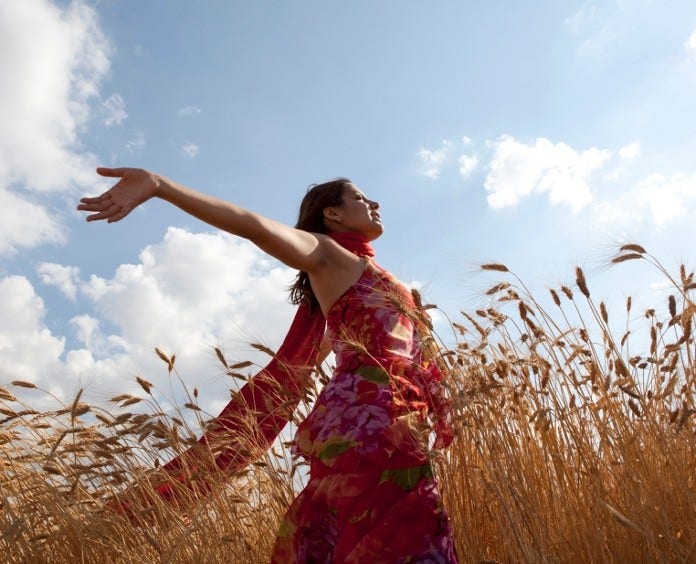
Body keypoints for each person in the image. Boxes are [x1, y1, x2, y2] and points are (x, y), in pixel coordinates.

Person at [78, 168, 458, 563]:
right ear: (334, 215)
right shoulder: (329, 257)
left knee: (403, 536)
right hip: (368, 424)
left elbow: (351, 345)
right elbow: (254, 226)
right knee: (400, 537)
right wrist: (161, 187)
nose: (375, 204)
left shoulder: (377, 278)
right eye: (361, 198)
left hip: (400, 423)